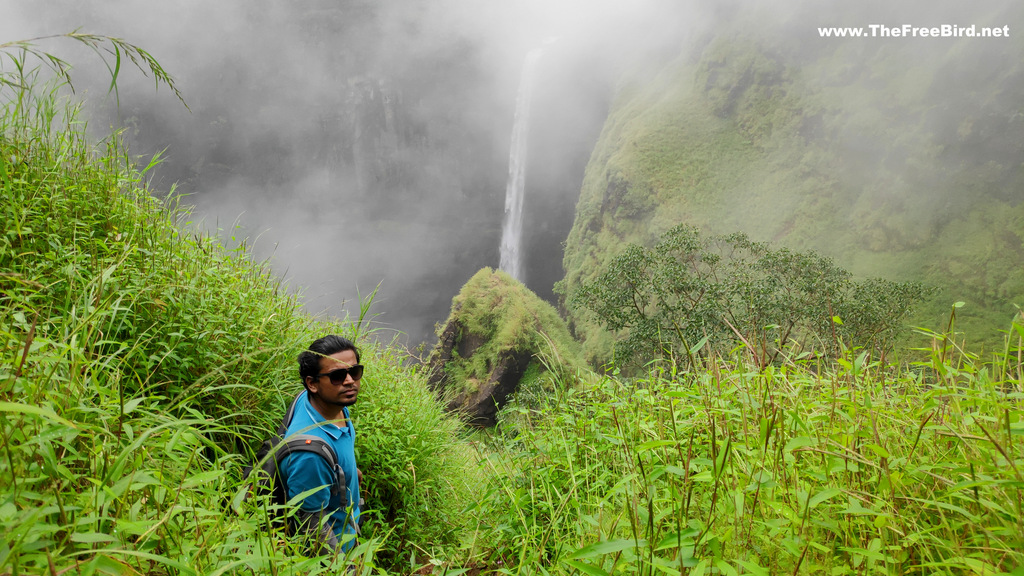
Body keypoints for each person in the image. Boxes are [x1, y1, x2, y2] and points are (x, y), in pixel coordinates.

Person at [281, 335, 363, 555]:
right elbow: (311, 524)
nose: (349, 381)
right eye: (337, 376)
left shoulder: (327, 404)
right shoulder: (311, 456)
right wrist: (344, 568)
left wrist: (347, 472)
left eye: (354, 372)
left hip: (349, 525)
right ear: (312, 383)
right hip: (337, 549)